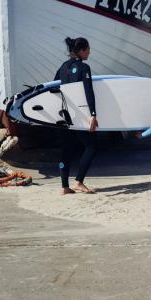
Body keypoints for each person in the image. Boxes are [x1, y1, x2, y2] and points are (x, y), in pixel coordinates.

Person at [55, 37, 98, 195]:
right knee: (92, 146)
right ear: (81, 50)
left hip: (64, 115)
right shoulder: (84, 68)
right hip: (79, 116)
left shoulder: (63, 67)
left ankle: (64, 186)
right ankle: (79, 181)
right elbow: (89, 92)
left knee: (66, 149)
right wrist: (93, 114)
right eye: (87, 49)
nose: (89, 52)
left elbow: (54, 87)